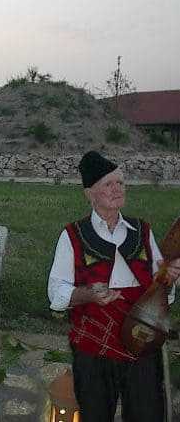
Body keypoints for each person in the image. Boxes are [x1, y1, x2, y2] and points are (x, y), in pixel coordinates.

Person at [48, 150, 180, 422]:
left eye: (121, 182)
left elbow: (163, 293)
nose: (117, 188)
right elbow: (56, 291)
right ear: (90, 194)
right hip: (95, 344)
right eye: (108, 184)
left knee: (148, 415)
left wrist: (168, 279)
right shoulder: (73, 235)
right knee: (95, 414)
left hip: (142, 339)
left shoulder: (142, 231)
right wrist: (86, 294)